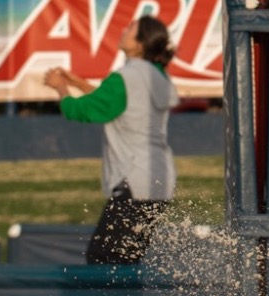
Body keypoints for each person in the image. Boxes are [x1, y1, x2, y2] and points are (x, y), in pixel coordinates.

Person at [41, 15, 178, 264]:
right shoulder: (157, 74)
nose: (124, 30)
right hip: (160, 179)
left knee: (103, 260)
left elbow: (79, 110)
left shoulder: (125, 76)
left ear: (140, 44)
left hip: (135, 181)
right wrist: (78, 83)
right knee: (125, 261)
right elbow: (117, 106)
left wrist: (60, 88)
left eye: (131, 28)